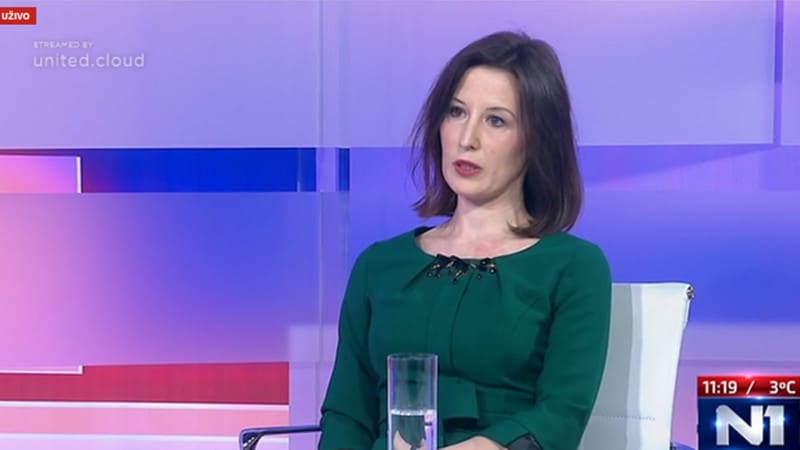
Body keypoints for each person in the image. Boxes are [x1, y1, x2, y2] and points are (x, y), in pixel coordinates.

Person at [318, 30, 612, 450]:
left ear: (536, 141)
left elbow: (561, 416)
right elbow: (347, 414)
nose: (467, 138)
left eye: (496, 120)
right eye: (456, 112)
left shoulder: (573, 267)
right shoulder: (379, 266)